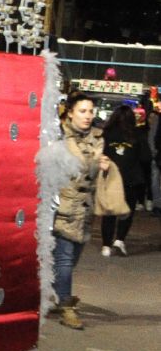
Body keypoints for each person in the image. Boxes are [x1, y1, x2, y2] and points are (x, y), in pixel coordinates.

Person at [51, 93, 106, 330]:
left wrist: (100, 165)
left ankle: (52, 294)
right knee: (63, 259)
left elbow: (91, 172)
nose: (87, 116)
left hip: (86, 208)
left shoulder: (97, 137)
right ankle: (66, 307)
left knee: (70, 260)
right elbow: (71, 168)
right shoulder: (59, 137)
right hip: (63, 206)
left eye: (90, 111)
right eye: (82, 111)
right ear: (70, 112)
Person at [99, 105, 149, 256]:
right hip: (131, 179)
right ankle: (119, 239)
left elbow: (100, 154)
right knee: (126, 210)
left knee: (108, 212)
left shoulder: (106, 134)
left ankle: (106, 245)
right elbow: (146, 157)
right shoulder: (137, 135)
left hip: (110, 177)